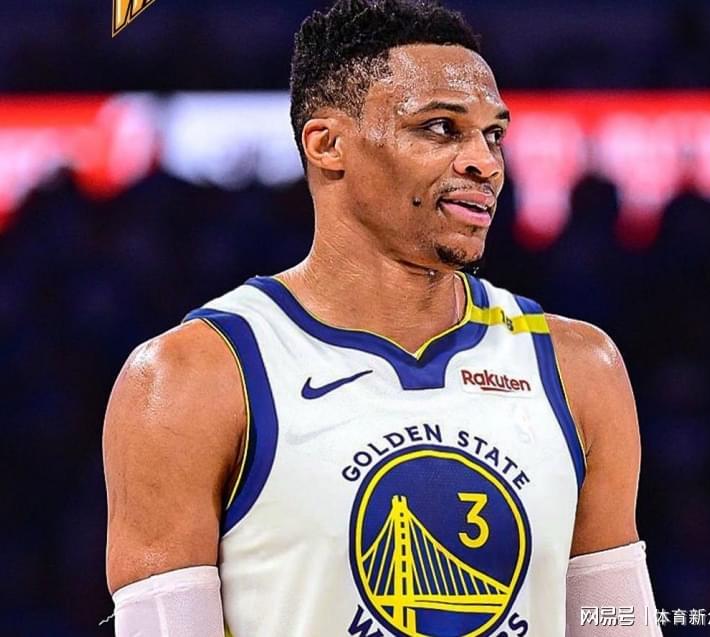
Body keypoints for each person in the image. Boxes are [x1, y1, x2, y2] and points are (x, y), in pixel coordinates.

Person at [103, 1, 661, 635]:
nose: (485, 163)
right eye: (441, 128)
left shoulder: (578, 368)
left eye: (493, 135)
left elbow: (617, 625)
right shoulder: (191, 378)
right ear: (327, 144)